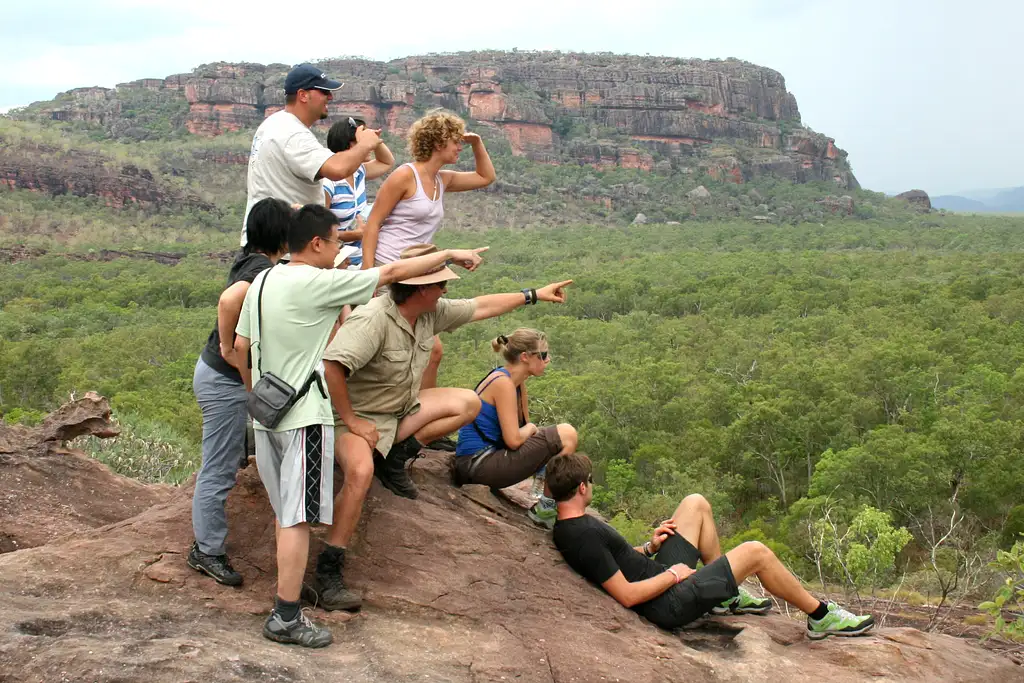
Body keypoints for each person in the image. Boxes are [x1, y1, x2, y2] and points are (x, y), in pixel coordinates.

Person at [233, 206, 487, 648]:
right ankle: (286, 616)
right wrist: (446, 252)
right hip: (303, 417)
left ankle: (287, 604)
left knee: (284, 511)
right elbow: (392, 273)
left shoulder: (263, 281)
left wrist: (260, 394)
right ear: (316, 244)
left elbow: (240, 347)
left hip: (267, 413)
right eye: (335, 241)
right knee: (295, 520)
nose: (339, 249)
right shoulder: (317, 283)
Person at [309, 244, 572, 611]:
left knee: (467, 402)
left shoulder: (428, 314)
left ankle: (397, 456)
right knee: (359, 473)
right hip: (358, 419)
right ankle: (329, 567)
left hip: (399, 411)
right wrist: (352, 421)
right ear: (419, 290)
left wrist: (533, 295)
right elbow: (332, 366)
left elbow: (480, 306)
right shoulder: (373, 319)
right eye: (440, 285)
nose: (446, 290)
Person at [547, 453, 876, 640]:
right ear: (581, 487)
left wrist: (649, 547)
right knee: (756, 552)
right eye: (591, 480)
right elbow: (627, 595)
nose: (592, 484)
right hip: (666, 603)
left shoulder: (571, 526)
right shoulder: (583, 534)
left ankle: (727, 596)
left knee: (695, 503)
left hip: (658, 576)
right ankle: (820, 617)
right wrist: (675, 575)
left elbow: (611, 563)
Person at [189, 198, 291, 586]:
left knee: (234, 453)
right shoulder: (261, 269)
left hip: (222, 377)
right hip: (223, 381)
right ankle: (206, 551)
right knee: (219, 466)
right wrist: (232, 350)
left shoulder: (253, 259)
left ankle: (207, 544)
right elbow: (230, 299)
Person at [359, 110, 496, 394]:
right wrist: (369, 275)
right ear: (437, 142)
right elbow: (373, 224)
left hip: (417, 276)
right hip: (390, 270)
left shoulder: (442, 179)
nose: (460, 146)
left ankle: (418, 416)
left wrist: (477, 143)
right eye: (455, 141)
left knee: (430, 352)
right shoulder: (404, 176)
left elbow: (486, 177)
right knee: (404, 351)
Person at [240, 63, 382, 247]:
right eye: (324, 91)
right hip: (284, 250)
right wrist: (365, 144)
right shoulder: (292, 133)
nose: (329, 97)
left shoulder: (274, 123)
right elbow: (337, 169)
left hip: (267, 242)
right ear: (303, 95)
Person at [454, 328, 578, 530]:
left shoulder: (517, 383)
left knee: (561, 436)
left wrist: (532, 436)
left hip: (486, 459)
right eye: (543, 355)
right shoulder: (503, 383)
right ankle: (546, 508)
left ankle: (545, 497)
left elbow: (523, 434)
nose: (548, 360)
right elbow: (514, 439)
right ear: (525, 357)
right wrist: (530, 429)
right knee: (567, 434)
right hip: (477, 464)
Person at [322, 115, 394, 268]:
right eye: (362, 140)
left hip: (363, 259)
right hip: (339, 264)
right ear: (350, 145)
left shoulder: (358, 172)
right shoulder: (328, 183)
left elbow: (387, 162)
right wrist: (354, 235)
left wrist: (374, 140)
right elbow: (317, 233)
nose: (369, 146)